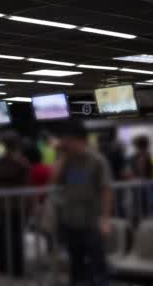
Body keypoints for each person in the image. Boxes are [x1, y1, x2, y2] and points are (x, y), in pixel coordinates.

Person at [54, 122, 113, 286]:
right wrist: (63, 155)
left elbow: (106, 190)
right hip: (71, 220)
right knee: (75, 264)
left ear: (80, 140)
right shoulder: (67, 160)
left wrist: (105, 218)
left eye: (69, 140)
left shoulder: (97, 161)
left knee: (97, 263)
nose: (66, 144)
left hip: (92, 220)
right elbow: (54, 179)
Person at [0, 131, 30, 278]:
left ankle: (3, 266)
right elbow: (26, 185)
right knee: (16, 237)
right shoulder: (22, 163)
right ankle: (18, 269)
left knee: (2, 236)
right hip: (18, 206)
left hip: (1, 205)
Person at [127, 135, 153, 219]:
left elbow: (133, 172)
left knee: (140, 206)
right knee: (144, 206)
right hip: (144, 185)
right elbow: (142, 171)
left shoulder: (136, 157)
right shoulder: (146, 156)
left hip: (139, 185)